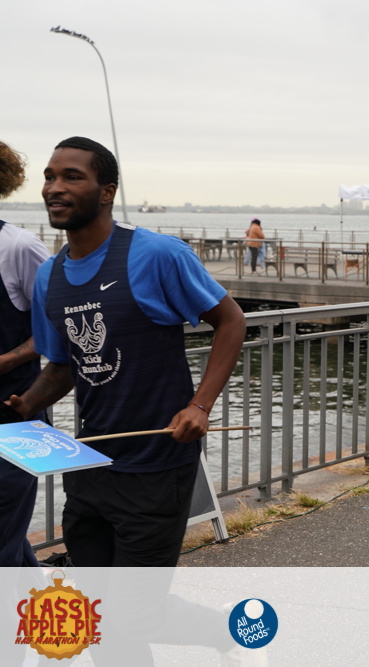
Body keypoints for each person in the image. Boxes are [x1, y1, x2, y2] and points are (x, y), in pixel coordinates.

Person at [8, 136, 247, 569]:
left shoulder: (157, 254)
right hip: (89, 463)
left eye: (71, 177)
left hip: (157, 465)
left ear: (107, 192)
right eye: (49, 177)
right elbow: (63, 366)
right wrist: (24, 405)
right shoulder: (48, 276)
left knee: (134, 602)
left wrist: (199, 406)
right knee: (95, 595)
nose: (54, 188)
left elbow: (231, 321)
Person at [0, 139, 51, 568]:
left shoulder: (19, 247)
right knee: (10, 542)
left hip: (16, 417)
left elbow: (56, 329)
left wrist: (5, 361)